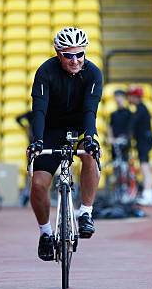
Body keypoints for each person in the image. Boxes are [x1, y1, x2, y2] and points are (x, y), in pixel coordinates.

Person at [26, 27, 103, 261]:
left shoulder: (92, 73)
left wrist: (90, 137)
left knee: (90, 154)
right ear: (58, 54)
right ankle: (45, 233)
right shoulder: (45, 72)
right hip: (50, 130)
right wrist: (37, 140)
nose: (75, 60)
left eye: (79, 54)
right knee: (39, 184)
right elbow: (38, 109)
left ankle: (86, 213)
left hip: (80, 128)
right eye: (68, 55)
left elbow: (91, 109)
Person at [127, 86, 152, 206]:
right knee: (147, 167)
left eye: (130, 96)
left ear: (135, 97)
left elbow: (132, 125)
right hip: (145, 141)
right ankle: (150, 194)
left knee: (144, 166)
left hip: (143, 141)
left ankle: (148, 194)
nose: (129, 98)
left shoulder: (140, 109)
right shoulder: (141, 108)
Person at [108, 89, 132, 160]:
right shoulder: (113, 114)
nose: (118, 99)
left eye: (119, 97)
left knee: (125, 163)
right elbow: (110, 126)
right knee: (115, 162)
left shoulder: (129, 113)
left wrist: (126, 138)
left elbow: (131, 129)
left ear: (124, 98)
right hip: (115, 143)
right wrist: (111, 138)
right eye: (116, 97)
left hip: (124, 142)